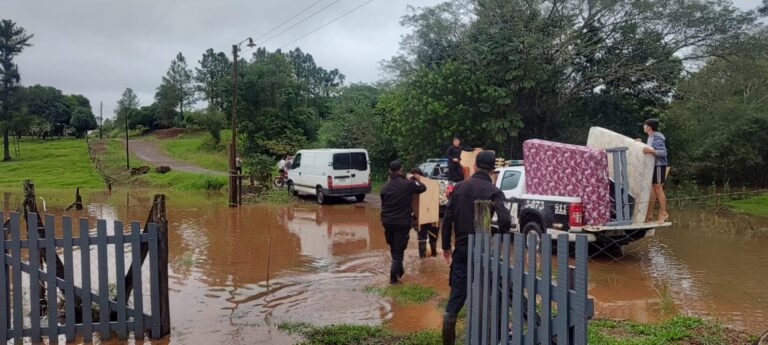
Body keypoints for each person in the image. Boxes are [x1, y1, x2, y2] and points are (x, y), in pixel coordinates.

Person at [440, 150, 511, 345]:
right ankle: (493, 335)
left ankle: (448, 340)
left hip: (462, 249)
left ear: (475, 167)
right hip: (485, 251)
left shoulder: (459, 188)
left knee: (456, 298)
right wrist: (501, 239)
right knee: (495, 290)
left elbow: (447, 220)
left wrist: (446, 246)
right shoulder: (493, 191)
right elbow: (505, 219)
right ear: (492, 171)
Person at [380, 160, 427, 284]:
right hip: (402, 222)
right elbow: (422, 188)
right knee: (398, 251)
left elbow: (383, 204)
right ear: (401, 170)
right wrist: (413, 179)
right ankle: (393, 280)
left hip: (387, 221)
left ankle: (399, 271)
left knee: (394, 247)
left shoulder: (384, 187)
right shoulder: (407, 184)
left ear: (389, 171)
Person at [642, 118, 669, 224]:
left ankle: (663, 213)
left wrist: (651, 150)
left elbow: (663, 153)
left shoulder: (657, 137)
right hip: (654, 166)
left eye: (645, 125)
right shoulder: (650, 137)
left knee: (658, 188)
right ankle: (651, 214)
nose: (643, 127)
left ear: (649, 127)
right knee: (656, 188)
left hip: (659, 165)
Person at [409, 168, 439, 258]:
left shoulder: (431, 184)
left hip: (431, 217)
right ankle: (422, 258)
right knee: (422, 238)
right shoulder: (412, 185)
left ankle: (433, 255)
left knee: (432, 238)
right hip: (419, 217)